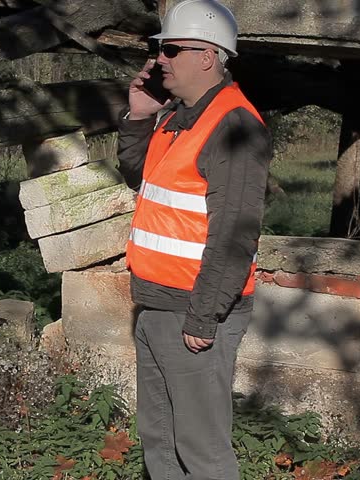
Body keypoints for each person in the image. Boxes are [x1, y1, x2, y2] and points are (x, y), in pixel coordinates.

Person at [116, 1, 272, 478]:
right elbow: (137, 176)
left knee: (201, 450)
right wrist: (140, 116)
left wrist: (204, 318)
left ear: (207, 56)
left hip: (193, 311)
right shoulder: (177, 117)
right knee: (160, 440)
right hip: (159, 306)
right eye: (160, 49)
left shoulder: (234, 125)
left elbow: (235, 232)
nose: (160, 58)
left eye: (172, 49)